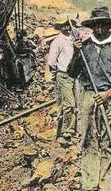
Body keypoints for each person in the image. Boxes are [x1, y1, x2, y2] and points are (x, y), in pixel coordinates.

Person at [68, 7, 111, 191]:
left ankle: (106, 184)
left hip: (110, 98)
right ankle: (89, 183)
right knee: (88, 139)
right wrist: (76, 52)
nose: (100, 30)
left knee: (110, 140)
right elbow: (72, 72)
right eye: (96, 26)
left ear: (109, 27)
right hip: (89, 96)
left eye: (103, 25)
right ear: (92, 27)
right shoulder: (84, 46)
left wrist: (108, 93)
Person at [45, 15, 79, 145]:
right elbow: (52, 62)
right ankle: (67, 132)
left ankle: (64, 132)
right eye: (64, 25)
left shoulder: (72, 39)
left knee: (68, 104)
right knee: (68, 104)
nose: (67, 27)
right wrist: (58, 75)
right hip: (63, 75)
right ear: (60, 27)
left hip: (72, 76)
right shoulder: (58, 41)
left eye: (68, 25)